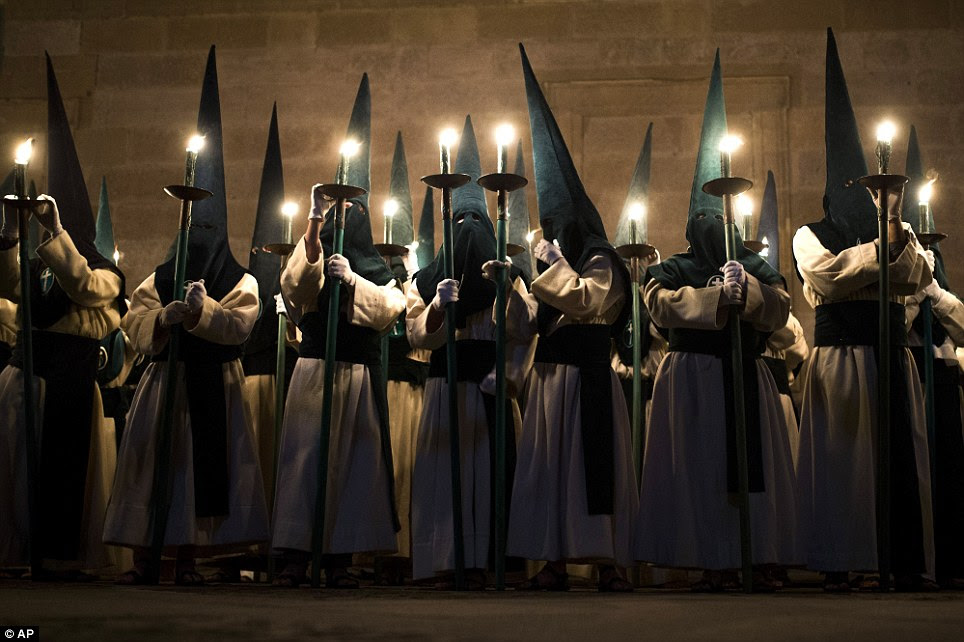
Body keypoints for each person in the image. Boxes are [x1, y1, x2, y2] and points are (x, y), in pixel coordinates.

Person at [104, 46, 269, 585]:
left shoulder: (240, 278)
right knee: (157, 469)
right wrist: (165, 316)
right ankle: (148, 556)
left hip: (214, 387)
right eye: (192, 231)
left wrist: (204, 312)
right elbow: (133, 318)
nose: (198, 242)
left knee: (201, 470)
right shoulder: (162, 271)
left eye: (207, 233)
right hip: (165, 381)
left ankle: (192, 558)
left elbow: (241, 324)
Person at [634, 51, 798, 592]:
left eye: (716, 217)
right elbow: (658, 307)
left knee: (751, 475)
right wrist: (712, 298)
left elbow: (780, 308)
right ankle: (707, 558)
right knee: (697, 473)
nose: (710, 226)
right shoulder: (672, 267)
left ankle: (757, 554)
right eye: (701, 218)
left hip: (743, 376)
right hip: (691, 381)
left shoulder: (753, 265)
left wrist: (746, 290)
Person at [793, 29, 935, 592]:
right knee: (842, 464)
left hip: (889, 357)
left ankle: (899, 558)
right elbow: (824, 276)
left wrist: (891, 227)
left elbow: (918, 275)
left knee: (897, 460)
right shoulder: (810, 232)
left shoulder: (898, 231)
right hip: (841, 364)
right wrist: (880, 252)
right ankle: (839, 558)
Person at [507, 45, 636, 593]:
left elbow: (589, 301)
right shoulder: (555, 258)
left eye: (562, 222)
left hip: (589, 379)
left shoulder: (601, 256)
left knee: (591, 467)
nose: (554, 230)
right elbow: (537, 314)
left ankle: (606, 559)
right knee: (551, 470)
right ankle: (554, 560)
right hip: (552, 380)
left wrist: (557, 266)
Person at [271, 75, 405, 588]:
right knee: (307, 459)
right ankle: (294, 553)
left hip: (355, 374)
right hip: (314, 371)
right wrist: (311, 229)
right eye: (336, 210)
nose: (341, 217)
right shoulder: (316, 246)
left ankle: (342, 557)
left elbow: (391, 307)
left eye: (349, 210)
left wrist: (353, 281)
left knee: (353, 466)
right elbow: (295, 292)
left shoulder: (374, 264)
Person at [0, 55, 128, 579]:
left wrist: (55, 235)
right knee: (16, 475)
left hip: (73, 383)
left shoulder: (105, 275)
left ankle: (63, 555)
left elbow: (85, 288)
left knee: (71, 481)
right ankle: (16, 551)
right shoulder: (34, 263)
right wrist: (11, 231)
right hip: (28, 378)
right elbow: (11, 293)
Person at [407, 116, 534, 589]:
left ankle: (488, 561)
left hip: (487, 388)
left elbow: (523, 329)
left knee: (487, 477)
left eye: (476, 221)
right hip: (445, 389)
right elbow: (418, 337)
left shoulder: (509, 274)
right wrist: (439, 306)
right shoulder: (425, 280)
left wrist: (506, 286)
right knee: (447, 478)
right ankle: (445, 561)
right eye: (459, 221)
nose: (468, 229)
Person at [902, 125, 964, 589]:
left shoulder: (937, 272)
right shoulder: (900, 272)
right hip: (910, 370)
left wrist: (935, 294)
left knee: (949, 470)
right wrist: (910, 293)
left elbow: (960, 322)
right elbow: (891, 321)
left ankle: (953, 560)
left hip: (941, 372)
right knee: (916, 471)